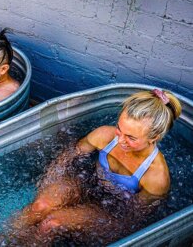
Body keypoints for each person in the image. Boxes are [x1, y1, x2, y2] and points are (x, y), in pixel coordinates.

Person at [10, 89, 182, 245]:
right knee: (40, 206)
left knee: (52, 223)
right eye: (119, 129)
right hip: (87, 183)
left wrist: (91, 224)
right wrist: (50, 180)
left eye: (131, 137)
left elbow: (131, 218)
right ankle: (2, 241)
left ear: (155, 137)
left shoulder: (156, 177)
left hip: (112, 209)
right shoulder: (104, 135)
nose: (120, 141)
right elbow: (70, 156)